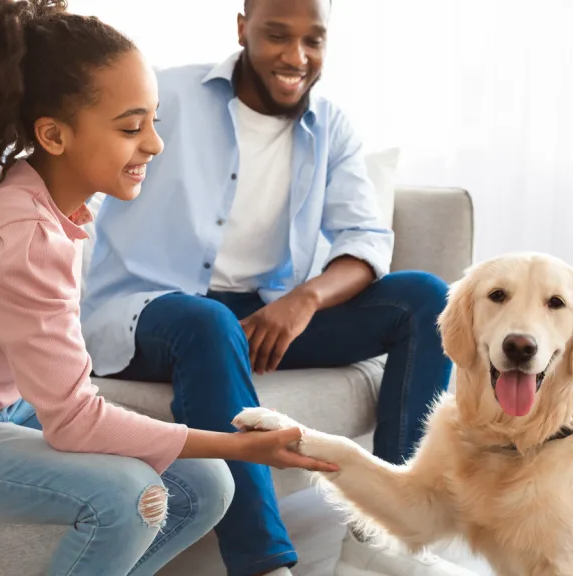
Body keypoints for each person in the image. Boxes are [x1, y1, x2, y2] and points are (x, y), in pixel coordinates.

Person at [0, 1, 336, 575]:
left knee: (207, 484)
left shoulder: (46, 204)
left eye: (154, 122)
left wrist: (224, 455)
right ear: (54, 135)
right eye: (130, 127)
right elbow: (75, 420)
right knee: (125, 496)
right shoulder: (21, 234)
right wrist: (241, 446)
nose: (154, 145)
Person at [80, 1, 475, 575]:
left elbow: (365, 238)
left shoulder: (331, 126)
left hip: (262, 310)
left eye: (313, 40)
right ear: (242, 29)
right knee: (205, 321)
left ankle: (383, 536)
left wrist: (303, 299)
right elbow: (85, 158)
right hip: (148, 308)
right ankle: (262, 563)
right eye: (276, 36)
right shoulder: (166, 95)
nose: (296, 57)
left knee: (425, 299)